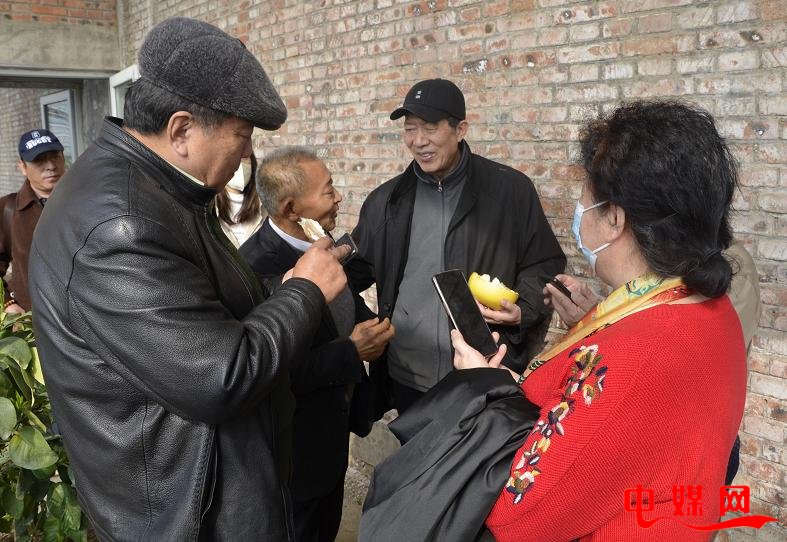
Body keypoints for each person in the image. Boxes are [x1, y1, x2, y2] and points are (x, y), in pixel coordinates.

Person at [28, 17, 349, 541]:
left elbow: (197, 314)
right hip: (184, 516)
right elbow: (219, 377)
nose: (245, 155)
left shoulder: (161, 189)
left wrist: (281, 288)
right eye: (241, 136)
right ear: (181, 131)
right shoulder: (120, 224)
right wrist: (305, 292)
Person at [445, 100, 748, 541]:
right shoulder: (708, 305)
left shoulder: (628, 357)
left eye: (585, 201)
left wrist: (483, 391)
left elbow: (517, 515)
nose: (579, 213)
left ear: (614, 219)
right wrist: (586, 328)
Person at [349, 78, 566, 414]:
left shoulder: (510, 191)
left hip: (481, 370)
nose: (418, 140)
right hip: (407, 376)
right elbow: (351, 275)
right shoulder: (386, 201)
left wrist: (524, 308)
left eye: (430, 127)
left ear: (460, 129)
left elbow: (544, 263)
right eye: (410, 129)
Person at [240, 146, 395, 542]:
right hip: (295, 455)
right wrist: (351, 352)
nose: (339, 197)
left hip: (332, 440)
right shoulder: (254, 269)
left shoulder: (321, 245)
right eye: (328, 191)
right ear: (292, 209)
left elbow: (346, 308)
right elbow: (264, 368)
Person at [0, 129, 66, 313]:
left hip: (87, 318)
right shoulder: (7, 209)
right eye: (39, 160)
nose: (51, 166)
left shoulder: (86, 200)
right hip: (34, 320)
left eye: (55, 156)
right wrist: (8, 303)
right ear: (22, 166)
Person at [215, 152, 265, 248]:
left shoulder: (266, 206)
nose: (240, 165)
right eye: (234, 157)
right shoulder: (209, 207)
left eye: (245, 158)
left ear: (252, 163)